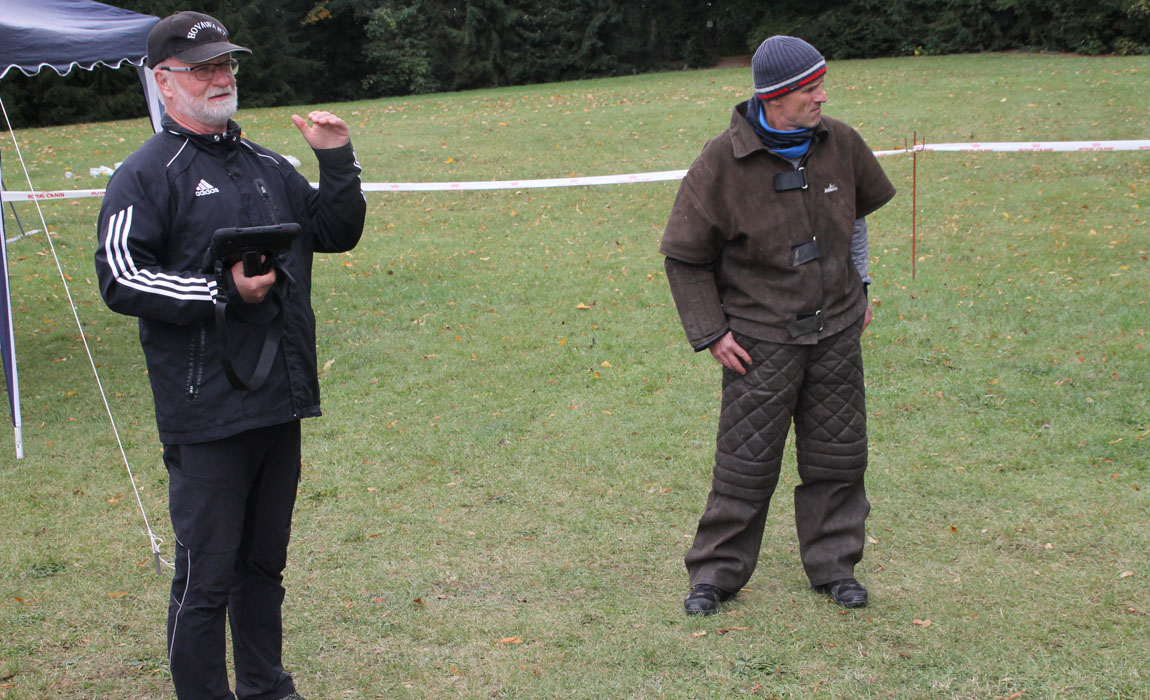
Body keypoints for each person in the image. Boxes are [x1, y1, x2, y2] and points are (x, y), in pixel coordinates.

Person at [94, 11, 366, 699]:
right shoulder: (145, 175)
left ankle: (267, 688)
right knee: (205, 578)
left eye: (227, 65)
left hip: (280, 400)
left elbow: (334, 230)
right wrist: (219, 290)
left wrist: (335, 158)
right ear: (163, 81)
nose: (221, 77)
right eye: (203, 67)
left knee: (262, 568)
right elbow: (121, 276)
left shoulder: (267, 164)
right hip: (204, 412)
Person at [660, 35, 896, 615]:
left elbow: (856, 220)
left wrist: (860, 286)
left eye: (821, 85)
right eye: (810, 89)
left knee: (839, 458)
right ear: (777, 96)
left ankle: (835, 568)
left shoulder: (840, 141)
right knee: (745, 463)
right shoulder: (720, 162)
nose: (822, 97)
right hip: (760, 342)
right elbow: (684, 257)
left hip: (836, 332)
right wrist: (712, 332)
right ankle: (714, 576)